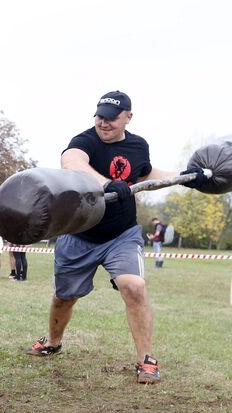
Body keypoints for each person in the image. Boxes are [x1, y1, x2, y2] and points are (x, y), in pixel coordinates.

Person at [24, 90, 210, 384]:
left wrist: (185, 176)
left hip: (121, 234)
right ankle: (52, 342)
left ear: (128, 118)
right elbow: (72, 162)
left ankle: (145, 361)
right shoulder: (85, 141)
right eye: (99, 116)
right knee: (64, 297)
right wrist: (108, 183)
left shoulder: (138, 146)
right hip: (79, 234)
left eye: (110, 118)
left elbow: (145, 175)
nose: (103, 123)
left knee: (134, 287)